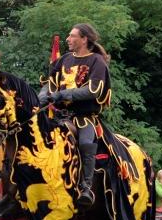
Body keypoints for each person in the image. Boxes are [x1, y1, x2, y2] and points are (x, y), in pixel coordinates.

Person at [38, 23, 111, 208]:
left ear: (84, 39)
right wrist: (40, 99)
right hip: (58, 115)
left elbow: (93, 90)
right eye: (68, 36)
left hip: (83, 116)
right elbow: (50, 83)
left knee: (86, 143)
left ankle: (86, 186)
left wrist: (62, 94)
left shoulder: (96, 61)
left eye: (72, 36)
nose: (67, 39)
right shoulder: (64, 59)